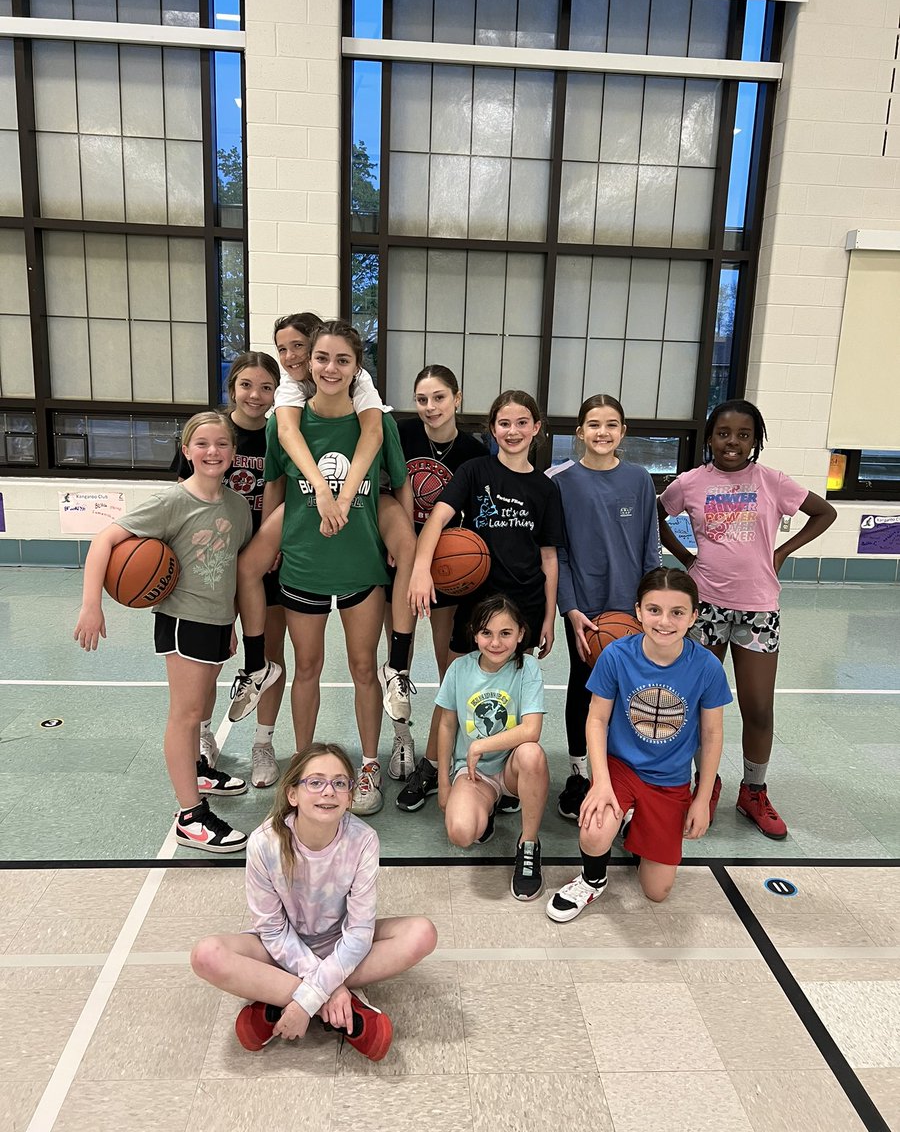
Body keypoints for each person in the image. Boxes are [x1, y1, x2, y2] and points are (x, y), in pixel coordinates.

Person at [226, 314, 421, 783]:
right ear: (307, 363)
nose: (330, 368)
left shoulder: (377, 424)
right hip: (305, 566)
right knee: (306, 668)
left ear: (357, 368)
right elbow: (275, 486)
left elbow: (399, 485)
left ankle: (370, 764)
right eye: (320, 358)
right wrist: (272, 543)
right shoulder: (284, 423)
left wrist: (402, 546)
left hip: (361, 566)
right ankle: (304, 764)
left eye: (342, 360)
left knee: (363, 669)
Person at [74, 412, 253, 853]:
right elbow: (104, 540)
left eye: (222, 444)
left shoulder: (237, 505)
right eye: (203, 444)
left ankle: (198, 768)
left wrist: (231, 624)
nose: (213, 452)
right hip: (181, 620)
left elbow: (230, 570)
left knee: (203, 703)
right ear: (187, 450)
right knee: (186, 713)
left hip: (215, 621)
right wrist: (91, 604)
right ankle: (190, 815)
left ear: (233, 452)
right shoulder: (171, 501)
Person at [658, 399, 836, 838]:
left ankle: (753, 791)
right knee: (699, 704)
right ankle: (707, 782)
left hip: (758, 608)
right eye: (723, 433)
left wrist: (781, 552)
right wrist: (685, 558)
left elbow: (825, 513)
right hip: (708, 606)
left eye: (742, 434)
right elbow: (655, 515)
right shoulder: (690, 483)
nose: (732, 442)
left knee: (758, 707)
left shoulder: (772, 482)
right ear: (710, 438)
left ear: (756, 440)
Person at [190, 742, 437, 1058]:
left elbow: (360, 934)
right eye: (315, 782)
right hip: (282, 948)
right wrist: (326, 990)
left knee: (422, 933)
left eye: (339, 783)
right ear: (293, 794)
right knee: (207, 955)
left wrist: (306, 1000)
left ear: (350, 797)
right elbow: (273, 932)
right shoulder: (264, 844)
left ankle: (277, 999)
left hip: (342, 942)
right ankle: (340, 1007)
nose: (329, 791)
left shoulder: (363, 840)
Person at [405, 390, 563, 813]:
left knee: (510, 695)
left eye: (522, 423)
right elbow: (438, 518)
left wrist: (549, 617)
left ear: (537, 428)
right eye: (504, 423)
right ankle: (434, 764)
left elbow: (548, 556)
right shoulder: (475, 471)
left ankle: (506, 774)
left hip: (525, 603)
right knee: (454, 691)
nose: (513, 431)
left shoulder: (545, 489)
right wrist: (421, 569)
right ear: (492, 429)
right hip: (476, 604)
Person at [547, 568, 731, 920]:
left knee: (656, 892)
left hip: (670, 780)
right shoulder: (617, 655)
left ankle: (634, 821)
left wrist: (702, 798)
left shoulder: (707, 666)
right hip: (621, 768)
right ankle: (593, 879)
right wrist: (599, 782)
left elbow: (711, 736)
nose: (664, 621)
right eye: (654, 610)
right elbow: (596, 719)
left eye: (677, 612)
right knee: (594, 833)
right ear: (638, 611)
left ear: (694, 615)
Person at [174, 351, 286, 788]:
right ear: (231, 387)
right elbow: (183, 497)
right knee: (212, 658)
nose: (255, 395)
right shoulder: (212, 432)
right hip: (214, 560)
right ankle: (204, 736)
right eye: (246, 385)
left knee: (268, 658)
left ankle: (263, 743)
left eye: (265, 387)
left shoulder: (282, 432)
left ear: (276, 391)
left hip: (267, 560)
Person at [553, 395, 660, 820]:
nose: (602, 432)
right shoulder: (561, 481)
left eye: (611, 425)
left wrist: (648, 607)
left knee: (630, 690)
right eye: (593, 424)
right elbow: (557, 552)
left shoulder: (639, 480)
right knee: (583, 684)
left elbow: (649, 548)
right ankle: (580, 772)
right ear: (580, 432)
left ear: (623, 432)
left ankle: (621, 773)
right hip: (584, 607)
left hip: (630, 607)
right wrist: (570, 608)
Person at [393, 365, 488, 812]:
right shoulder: (400, 434)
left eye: (438, 397)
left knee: (449, 670)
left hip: (449, 567)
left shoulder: (474, 450)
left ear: (457, 398)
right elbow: (391, 495)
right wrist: (406, 552)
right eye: (422, 398)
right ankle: (400, 741)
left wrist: (436, 563)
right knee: (397, 663)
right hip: (399, 559)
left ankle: (436, 759)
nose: (430, 407)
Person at [435, 595, 549, 899]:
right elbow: (446, 725)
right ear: (475, 634)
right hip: (475, 774)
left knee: (531, 753)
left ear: (521, 634)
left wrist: (480, 745)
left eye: (505, 633)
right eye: (487, 633)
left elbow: (532, 730)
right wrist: (444, 782)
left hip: (512, 768)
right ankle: (487, 806)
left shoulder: (528, 669)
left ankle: (528, 844)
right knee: (461, 833)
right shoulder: (459, 669)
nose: (495, 642)